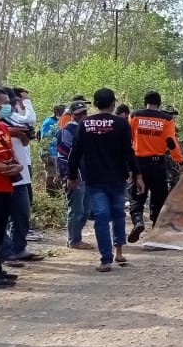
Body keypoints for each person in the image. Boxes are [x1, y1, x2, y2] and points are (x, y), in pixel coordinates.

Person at [68, 88, 144, 271]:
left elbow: (75, 152)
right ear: (113, 104)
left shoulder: (84, 124)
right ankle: (117, 251)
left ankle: (106, 259)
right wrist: (138, 175)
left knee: (101, 217)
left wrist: (71, 176)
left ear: (95, 104)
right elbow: (128, 152)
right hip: (117, 177)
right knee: (117, 214)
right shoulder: (121, 123)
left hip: (94, 178)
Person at [127, 91, 183, 242]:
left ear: (145, 101)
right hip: (158, 162)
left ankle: (138, 220)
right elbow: (171, 142)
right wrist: (181, 162)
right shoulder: (167, 119)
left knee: (136, 194)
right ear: (159, 103)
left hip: (139, 162)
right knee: (159, 197)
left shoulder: (134, 116)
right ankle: (155, 232)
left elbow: (129, 137)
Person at [0, 88, 42, 265]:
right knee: (1, 218)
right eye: (5, 102)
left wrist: (24, 134)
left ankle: (19, 248)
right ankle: (5, 252)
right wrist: (12, 131)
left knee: (22, 213)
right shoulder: (0, 123)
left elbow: (25, 139)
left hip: (20, 175)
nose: (8, 105)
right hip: (2, 176)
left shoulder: (13, 118)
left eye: (10, 102)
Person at [0, 87, 23, 288]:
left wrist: (17, 166)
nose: (7, 106)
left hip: (6, 185)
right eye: (3, 102)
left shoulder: (2, 128)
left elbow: (9, 154)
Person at [58, 100, 93, 250]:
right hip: (75, 176)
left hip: (87, 175)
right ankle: (73, 240)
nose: (82, 115)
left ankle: (76, 237)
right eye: (79, 113)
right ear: (72, 114)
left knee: (86, 210)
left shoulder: (88, 130)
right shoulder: (66, 131)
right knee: (76, 209)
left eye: (84, 112)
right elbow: (62, 156)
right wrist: (68, 176)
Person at [41, 104, 65, 196]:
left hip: (57, 151)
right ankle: (51, 194)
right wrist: (50, 154)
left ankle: (58, 193)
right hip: (50, 152)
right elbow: (46, 139)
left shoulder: (60, 121)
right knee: (51, 173)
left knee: (58, 174)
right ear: (57, 113)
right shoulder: (49, 122)